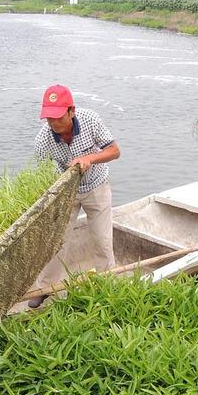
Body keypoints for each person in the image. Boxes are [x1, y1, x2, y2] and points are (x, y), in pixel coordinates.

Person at [29, 84, 120, 307]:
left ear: (71, 111)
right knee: (55, 242)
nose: (53, 123)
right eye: (48, 118)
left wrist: (89, 158)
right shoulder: (43, 140)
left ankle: (107, 282)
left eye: (58, 117)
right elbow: (43, 176)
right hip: (66, 195)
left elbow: (114, 151)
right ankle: (45, 287)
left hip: (96, 186)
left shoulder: (91, 120)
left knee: (102, 238)